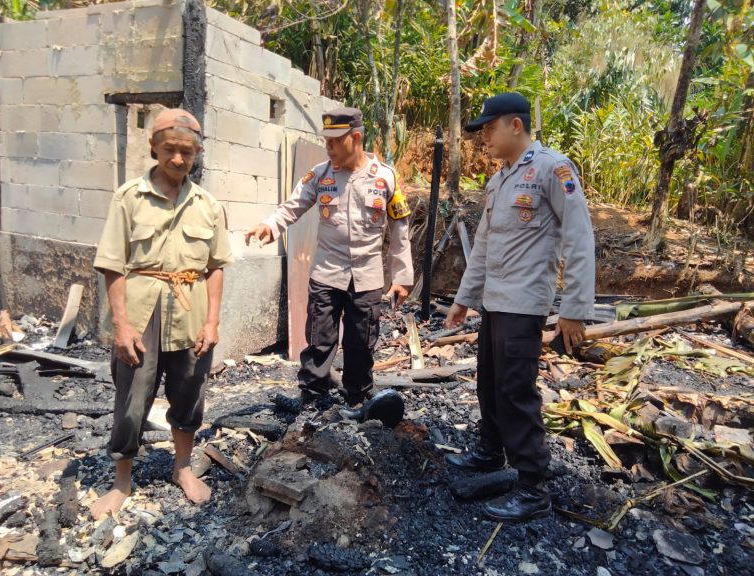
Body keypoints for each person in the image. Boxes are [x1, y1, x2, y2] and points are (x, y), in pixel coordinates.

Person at [444, 92, 595, 521]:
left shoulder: (553, 168)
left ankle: (532, 487)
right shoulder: (501, 179)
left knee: (515, 392)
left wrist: (574, 308)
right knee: (490, 383)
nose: (484, 138)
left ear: (515, 125)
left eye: (489, 129)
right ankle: (491, 453)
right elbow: (486, 248)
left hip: (525, 304)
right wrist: (463, 300)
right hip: (495, 302)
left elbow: (579, 237)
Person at [90, 108, 234, 519]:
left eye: (186, 152)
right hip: (140, 311)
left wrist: (212, 321)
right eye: (169, 149)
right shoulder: (128, 198)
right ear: (153, 147)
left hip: (191, 310)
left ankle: (183, 468)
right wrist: (120, 324)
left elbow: (216, 266)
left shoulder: (207, 204)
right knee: (133, 396)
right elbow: (112, 264)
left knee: (190, 391)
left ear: (196, 153)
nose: (177, 159)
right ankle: (121, 481)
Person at [246, 107, 414, 411]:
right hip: (327, 273)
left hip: (367, 277)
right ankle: (312, 398)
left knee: (361, 343)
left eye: (335, 141)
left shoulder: (384, 178)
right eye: (326, 141)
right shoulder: (320, 175)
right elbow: (292, 206)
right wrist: (270, 226)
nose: (329, 148)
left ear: (356, 138)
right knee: (319, 339)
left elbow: (400, 229)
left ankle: (358, 398)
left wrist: (402, 277)